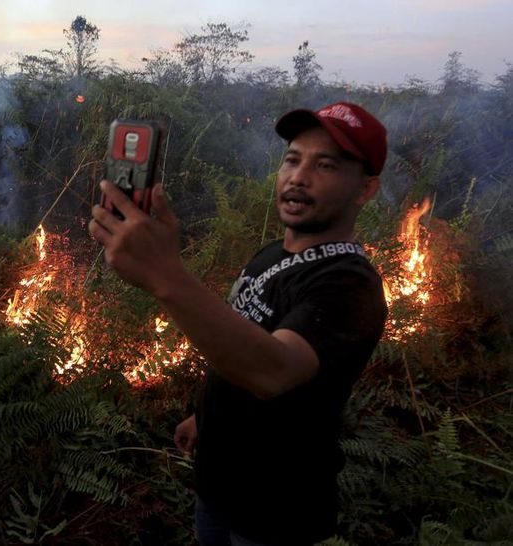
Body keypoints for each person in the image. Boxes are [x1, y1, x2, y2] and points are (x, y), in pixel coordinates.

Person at [89, 102, 389, 545]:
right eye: (292, 159)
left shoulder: (349, 285)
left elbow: (273, 370)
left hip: (276, 511)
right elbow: (242, 335)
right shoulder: (274, 254)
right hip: (218, 488)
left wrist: (166, 276)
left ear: (365, 190)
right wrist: (204, 415)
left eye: (325, 165)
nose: (298, 177)